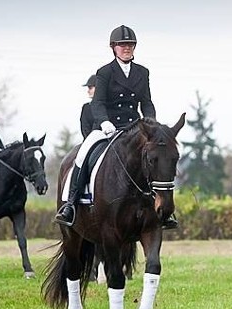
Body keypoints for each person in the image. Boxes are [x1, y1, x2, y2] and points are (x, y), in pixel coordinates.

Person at [55, 25, 177, 229]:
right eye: (122, 45)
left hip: (134, 127)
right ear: (114, 47)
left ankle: (163, 209)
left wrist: (151, 124)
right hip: (107, 126)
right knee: (83, 153)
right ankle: (70, 204)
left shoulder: (142, 72)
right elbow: (98, 102)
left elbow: (146, 102)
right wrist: (104, 121)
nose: (126, 48)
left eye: (130, 44)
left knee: (157, 158)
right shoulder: (104, 72)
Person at [80, 74, 97, 139]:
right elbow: (85, 129)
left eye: (90, 88)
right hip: (91, 139)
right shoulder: (86, 108)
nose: (88, 91)